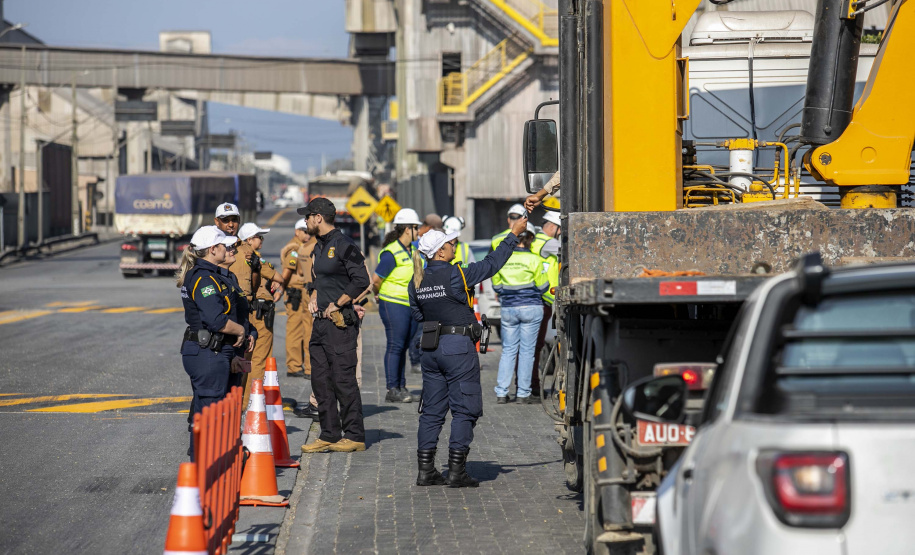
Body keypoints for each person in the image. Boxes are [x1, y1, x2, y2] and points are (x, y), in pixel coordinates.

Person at [409, 215, 528, 488]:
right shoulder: (456, 273)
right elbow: (492, 264)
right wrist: (513, 234)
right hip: (457, 348)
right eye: (451, 244)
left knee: (432, 412)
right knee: (464, 409)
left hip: (430, 349)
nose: (454, 246)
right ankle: (456, 471)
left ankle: (425, 470)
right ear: (440, 251)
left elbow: (418, 315)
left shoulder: (416, 280)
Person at [297, 198, 371, 454]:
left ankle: (354, 435)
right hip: (319, 326)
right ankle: (329, 433)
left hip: (339, 326)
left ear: (318, 217)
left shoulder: (344, 245)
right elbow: (321, 280)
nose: (305, 221)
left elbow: (361, 280)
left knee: (343, 380)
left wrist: (339, 303)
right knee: (320, 381)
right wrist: (316, 296)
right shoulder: (319, 246)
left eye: (307, 216)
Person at [177, 226, 248, 458]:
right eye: (223, 245)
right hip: (207, 352)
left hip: (218, 350)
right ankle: (205, 466)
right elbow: (215, 320)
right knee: (209, 413)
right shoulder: (203, 278)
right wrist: (240, 332)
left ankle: (215, 462)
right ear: (212, 249)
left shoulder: (217, 275)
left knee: (218, 411)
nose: (228, 248)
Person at [493, 225, 549, 404]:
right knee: (527, 351)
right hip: (531, 308)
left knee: (508, 351)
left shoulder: (503, 259)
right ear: (531, 239)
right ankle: (523, 394)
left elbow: (497, 286)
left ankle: (502, 392)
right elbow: (543, 287)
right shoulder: (535, 260)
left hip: (509, 308)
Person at [373, 208, 423, 403]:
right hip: (393, 303)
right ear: (407, 229)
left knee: (402, 346)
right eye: (416, 228)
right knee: (395, 345)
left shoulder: (412, 250)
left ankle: (401, 386)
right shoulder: (391, 252)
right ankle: (392, 388)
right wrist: (377, 295)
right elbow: (376, 279)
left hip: (408, 303)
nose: (418, 231)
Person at [233, 223, 285, 409]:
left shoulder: (232, 254)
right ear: (248, 240)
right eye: (258, 237)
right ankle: (251, 405)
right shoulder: (253, 258)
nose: (261, 240)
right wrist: (280, 284)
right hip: (259, 315)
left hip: (244, 313)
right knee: (258, 361)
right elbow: (278, 277)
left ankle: (240, 403)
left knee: (245, 360)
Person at [280, 219, 312, 378]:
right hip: (295, 293)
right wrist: (281, 288)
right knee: (295, 330)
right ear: (297, 232)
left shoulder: (303, 247)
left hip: (302, 292)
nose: (307, 234)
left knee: (306, 328)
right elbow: (287, 271)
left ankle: (303, 366)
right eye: (304, 231)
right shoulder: (294, 249)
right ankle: (294, 365)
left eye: (309, 231)